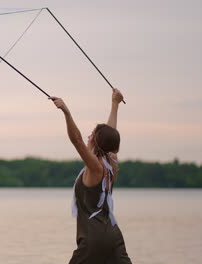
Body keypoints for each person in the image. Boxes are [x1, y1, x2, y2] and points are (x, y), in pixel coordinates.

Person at [49, 88, 132, 264]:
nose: (89, 136)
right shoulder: (112, 162)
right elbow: (110, 134)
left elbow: (77, 141)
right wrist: (115, 104)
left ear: (95, 141)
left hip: (93, 241)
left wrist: (66, 111)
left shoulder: (95, 167)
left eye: (92, 134)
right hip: (114, 238)